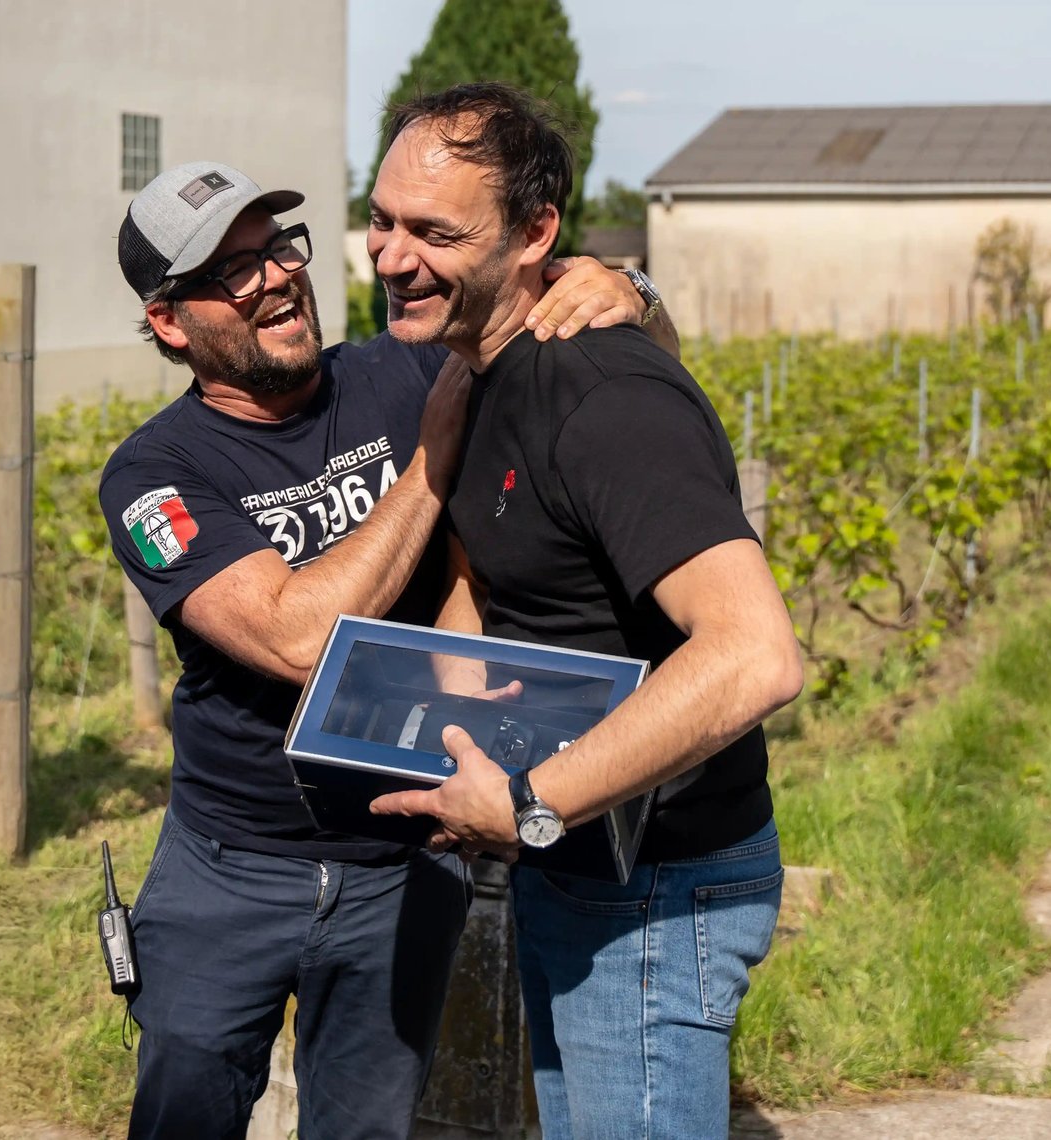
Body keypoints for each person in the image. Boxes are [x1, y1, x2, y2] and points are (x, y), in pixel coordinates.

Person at [97, 158, 652, 1140]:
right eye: (233, 271)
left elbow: (560, 325)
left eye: (278, 248)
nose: (276, 278)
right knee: (184, 1116)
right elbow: (299, 638)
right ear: (170, 322)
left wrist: (624, 289)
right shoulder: (155, 474)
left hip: (408, 860)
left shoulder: (402, 370)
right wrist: (432, 459)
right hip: (230, 869)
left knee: (366, 1129)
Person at [366, 84, 805, 1139]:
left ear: (536, 236)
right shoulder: (477, 378)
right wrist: (454, 738)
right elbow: (484, 578)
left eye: (435, 233)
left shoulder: (603, 396)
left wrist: (527, 802)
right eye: (381, 219)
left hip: (655, 885)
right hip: (574, 858)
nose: (392, 257)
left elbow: (755, 656)